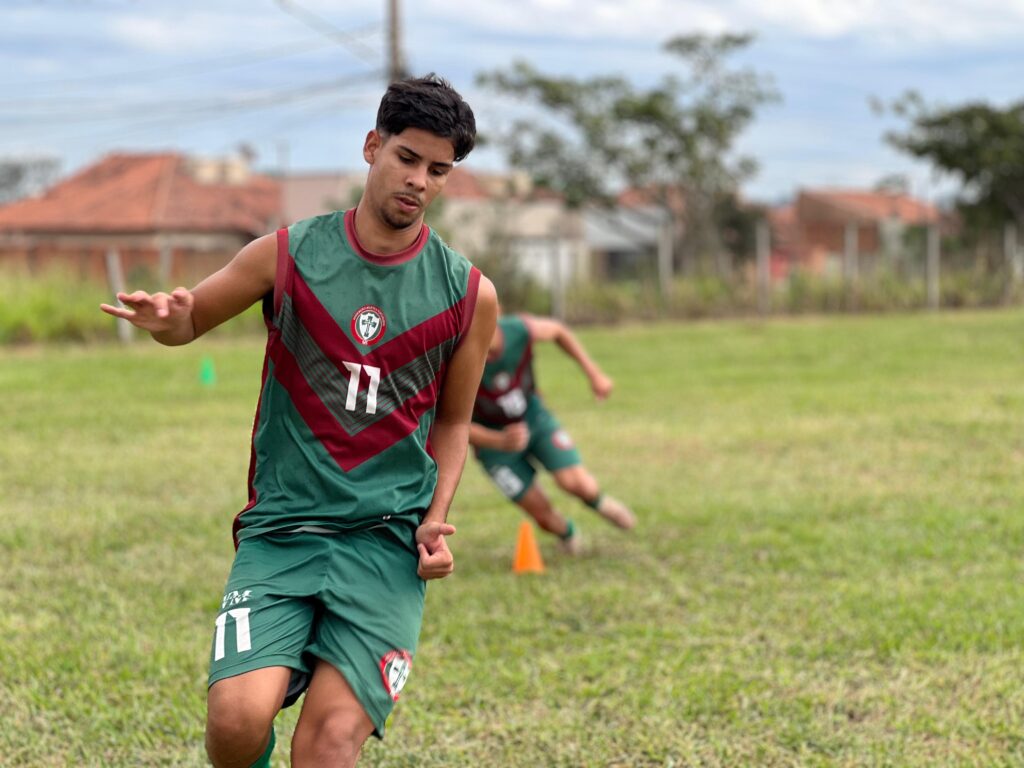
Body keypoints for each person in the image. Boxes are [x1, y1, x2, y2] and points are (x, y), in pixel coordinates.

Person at [100, 74, 497, 768]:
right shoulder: (287, 254)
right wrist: (168, 319)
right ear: (372, 146)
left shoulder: (467, 292)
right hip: (283, 531)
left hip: (385, 543)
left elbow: (454, 423)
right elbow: (191, 316)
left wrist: (435, 518)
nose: (419, 181)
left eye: (438, 170)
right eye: (406, 158)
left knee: (329, 745)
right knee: (234, 723)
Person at [468, 313, 635, 554]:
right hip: (492, 445)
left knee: (578, 484)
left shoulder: (518, 331)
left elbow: (558, 330)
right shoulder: (454, 359)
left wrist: (594, 374)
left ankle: (601, 503)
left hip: (534, 418)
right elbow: (450, 425)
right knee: (543, 516)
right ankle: (568, 535)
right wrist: (500, 441)